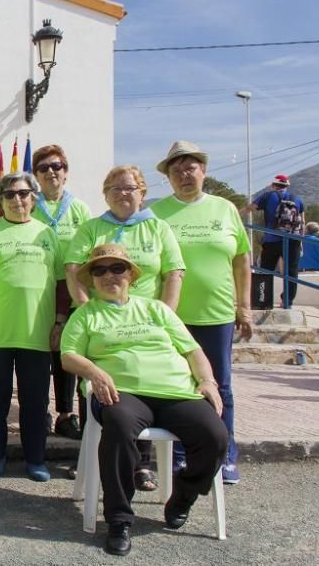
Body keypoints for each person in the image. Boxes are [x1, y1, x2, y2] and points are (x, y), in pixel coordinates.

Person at [60, 244, 228, 557]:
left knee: (215, 436)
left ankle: (183, 496)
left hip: (175, 391)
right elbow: (68, 355)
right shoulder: (85, 316)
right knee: (119, 429)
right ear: (92, 280)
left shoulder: (156, 309)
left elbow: (193, 351)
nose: (109, 275)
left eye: (117, 268)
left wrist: (207, 381)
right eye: (99, 270)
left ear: (131, 275)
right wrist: (94, 372)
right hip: (122, 392)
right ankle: (120, 520)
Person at [66, 164, 185, 493]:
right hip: (101, 321)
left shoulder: (157, 228)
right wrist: (85, 308)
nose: (123, 194)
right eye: (115, 189)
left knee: (146, 385)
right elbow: (74, 269)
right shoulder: (92, 228)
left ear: (142, 192)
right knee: (96, 386)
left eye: (129, 188)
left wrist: (164, 319)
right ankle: (94, 455)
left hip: (146, 320)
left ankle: (141, 465)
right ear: (105, 194)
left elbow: (174, 273)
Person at [152, 141, 253, 484]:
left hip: (217, 314)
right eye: (176, 170)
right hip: (172, 315)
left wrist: (244, 305)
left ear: (203, 171)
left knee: (220, 386)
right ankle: (181, 455)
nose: (183, 174)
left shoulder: (224, 210)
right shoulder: (157, 213)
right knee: (178, 385)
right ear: (168, 177)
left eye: (190, 167)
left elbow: (242, 259)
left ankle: (225, 456)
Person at [0, 171, 63, 482]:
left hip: (36, 335)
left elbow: (62, 282)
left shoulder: (48, 234)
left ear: (34, 199)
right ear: (0, 200)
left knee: (35, 402)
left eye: (23, 194)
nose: (17, 200)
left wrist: (61, 321)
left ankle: (35, 459)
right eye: (9, 195)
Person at [30, 144, 92, 442]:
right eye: (43, 168)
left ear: (65, 173)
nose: (51, 172)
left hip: (74, 289)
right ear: (36, 176)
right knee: (42, 351)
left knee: (69, 351)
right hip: (41, 290)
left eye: (56, 167)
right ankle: (39, 410)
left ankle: (67, 414)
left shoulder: (79, 209)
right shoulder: (30, 206)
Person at [242, 174, 305, 307]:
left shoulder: (268, 196)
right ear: (287, 186)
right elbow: (302, 222)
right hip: (292, 241)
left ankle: (263, 301)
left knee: (266, 270)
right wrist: (300, 242)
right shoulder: (297, 199)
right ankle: (287, 302)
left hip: (272, 239)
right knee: (291, 272)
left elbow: (250, 209)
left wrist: (232, 215)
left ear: (273, 185)